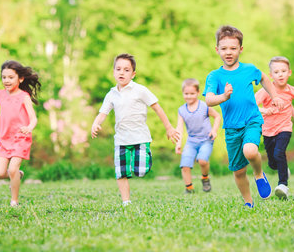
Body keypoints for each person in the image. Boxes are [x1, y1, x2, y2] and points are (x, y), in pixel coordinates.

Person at [203, 25, 284, 208]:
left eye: (233, 48)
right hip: (231, 128)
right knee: (239, 172)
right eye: (224, 48)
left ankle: (258, 174)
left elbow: (263, 78)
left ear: (241, 49)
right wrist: (223, 97)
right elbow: (208, 100)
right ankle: (248, 202)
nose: (228, 52)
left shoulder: (249, 69)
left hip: (251, 120)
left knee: (250, 150)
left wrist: (275, 96)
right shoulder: (215, 76)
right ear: (217, 50)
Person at [91, 53, 180, 205]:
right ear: (113, 72)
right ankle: (126, 202)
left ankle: (145, 157)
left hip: (140, 138)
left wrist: (169, 127)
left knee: (140, 171)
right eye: (118, 69)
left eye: (126, 70)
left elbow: (157, 108)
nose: (121, 72)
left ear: (133, 74)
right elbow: (103, 112)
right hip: (121, 140)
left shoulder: (140, 90)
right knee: (121, 173)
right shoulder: (111, 94)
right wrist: (95, 123)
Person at [0, 60, 41, 207]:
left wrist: (29, 127)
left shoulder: (24, 97)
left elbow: (33, 118)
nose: (6, 80)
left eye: (11, 77)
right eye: (4, 77)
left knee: (12, 168)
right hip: (4, 139)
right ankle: (18, 175)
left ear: (20, 79)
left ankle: (14, 201)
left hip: (20, 138)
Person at [255, 56, 294, 200]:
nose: (280, 74)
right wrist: (265, 111)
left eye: (283, 71)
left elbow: (289, 104)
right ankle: (283, 169)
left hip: (284, 127)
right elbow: (252, 106)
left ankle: (283, 185)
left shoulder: (292, 90)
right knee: (272, 163)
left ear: (289, 72)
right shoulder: (266, 91)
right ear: (271, 75)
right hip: (268, 130)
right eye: (276, 72)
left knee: (279, 153)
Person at [175, 78, 221, 194]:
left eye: (192, 93)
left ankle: (205, 178)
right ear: (183, 93)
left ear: (198, 93)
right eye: (186, 94)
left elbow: (217, 116)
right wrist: (178, 143)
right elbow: (179, 128)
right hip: (191, 141)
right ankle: (189, 188)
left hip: (206, 140)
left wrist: (214, 130)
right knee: (185, 165)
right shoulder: (181, 110)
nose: (189, 96)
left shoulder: (205, 106)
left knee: (202, 161)